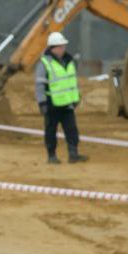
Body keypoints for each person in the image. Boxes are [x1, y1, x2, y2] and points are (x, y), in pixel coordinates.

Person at [36, 31, 87, 164]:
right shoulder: (45, 63)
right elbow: (40, 85)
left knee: (72, 130)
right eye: (60, 46)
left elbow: (71, 82)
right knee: (50, 131)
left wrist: (75, 98)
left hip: (67, 104)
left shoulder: (69, 61)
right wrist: (42, 103)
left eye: (63, 46)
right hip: (51, 104)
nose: (63, 49)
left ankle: (73, 154)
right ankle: (51, 156)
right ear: (53, 48)